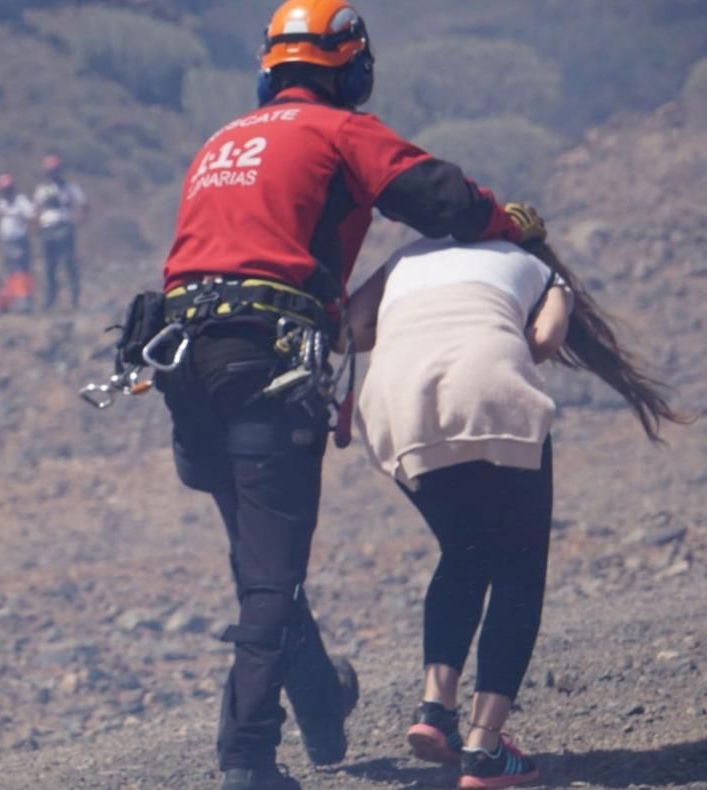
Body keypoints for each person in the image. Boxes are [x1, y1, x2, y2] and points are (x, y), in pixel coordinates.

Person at [150, 1, 545, 787]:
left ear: (271, 67)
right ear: (353, 68)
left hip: (182, 360)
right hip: (264, 359)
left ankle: (323, 702)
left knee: (259, 558)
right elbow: (442, 199)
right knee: (270, 575)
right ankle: (248, 761)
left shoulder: (223, 140)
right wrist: (511, 222)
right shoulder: (339, 131)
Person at [347, 236, 689, 789]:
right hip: (488, 389)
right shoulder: (537, 267)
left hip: (393, 404)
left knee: (463, 552)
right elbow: (545, 339)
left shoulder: (405, 257)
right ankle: (484, 749)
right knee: (519, 568)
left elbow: (355, 327)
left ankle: (436, 710)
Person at [34, 154, 87, 310]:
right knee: (50, 266)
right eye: (50, 171)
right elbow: (36, 208)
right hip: (47, 230)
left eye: (55, 171)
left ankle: (74, 298)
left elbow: (83, 203)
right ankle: (50, 299)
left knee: (69, 263)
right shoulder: (42, 189)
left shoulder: (70, 188)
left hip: (64, 228)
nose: (52, 174)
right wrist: (37, 225)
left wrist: (79, 219)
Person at [0, 173, 37, 313]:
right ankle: (12, 300)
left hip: (19, 241)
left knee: (21, 271)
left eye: (8, 189)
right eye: (3, 189)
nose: (6, 192)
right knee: (11, 272)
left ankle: (25, 301)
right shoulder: (1, 203)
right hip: (7, 241)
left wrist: (26, 232)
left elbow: (32, 215)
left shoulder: (21, 201)